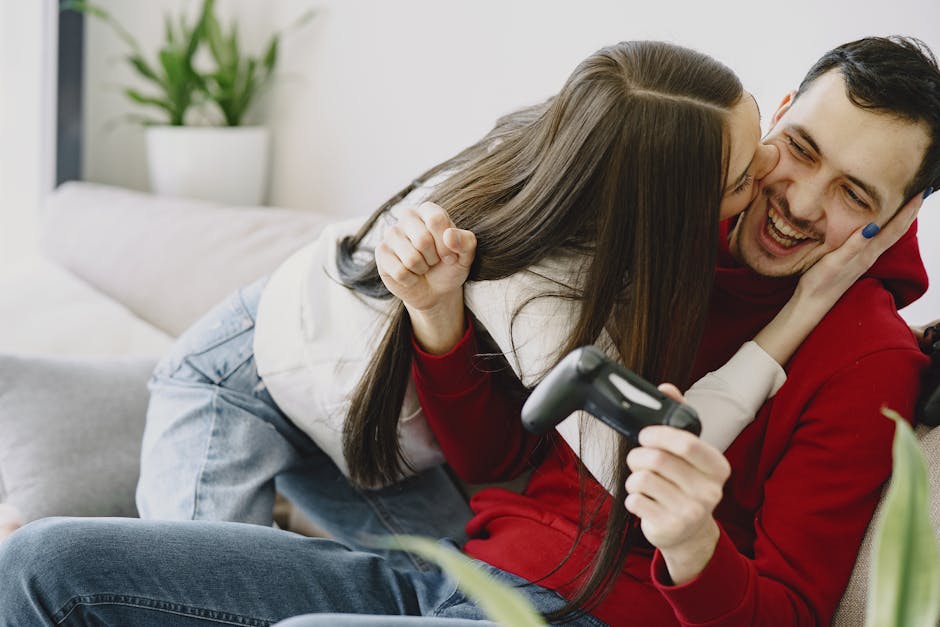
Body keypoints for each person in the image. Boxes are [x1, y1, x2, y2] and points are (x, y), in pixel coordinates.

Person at [0, 38, 933, 627]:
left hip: (573, 615)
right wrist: (440, 325)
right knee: (41, 564)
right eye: (800, 151)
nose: (797, 203)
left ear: (897, 219)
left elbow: (792, 613)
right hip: (451, 568)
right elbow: (500, 464)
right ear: (773, 121)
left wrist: (692, 545)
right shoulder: (667, 214)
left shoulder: (867, 359)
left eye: (856, 195)